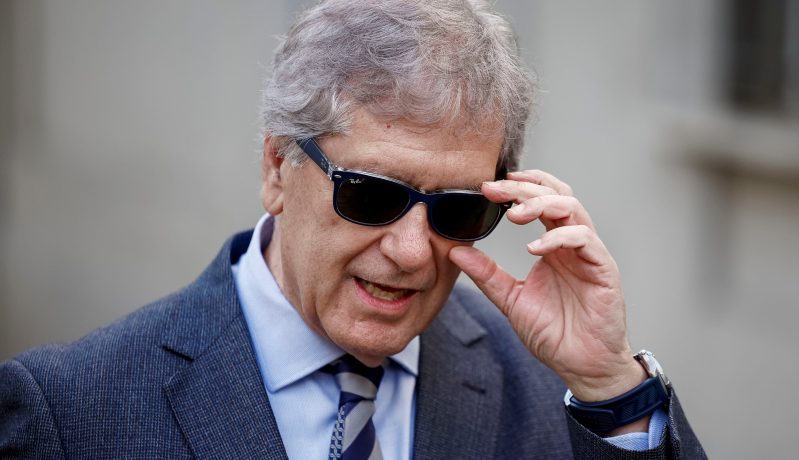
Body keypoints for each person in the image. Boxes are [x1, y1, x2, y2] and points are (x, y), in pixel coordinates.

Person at [0, 0, 705, 458]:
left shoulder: (551, 388)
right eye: (371, 195)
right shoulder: (69, 411)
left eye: (457, 209)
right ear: (277, 168)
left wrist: (610, 385)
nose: (412, 252)